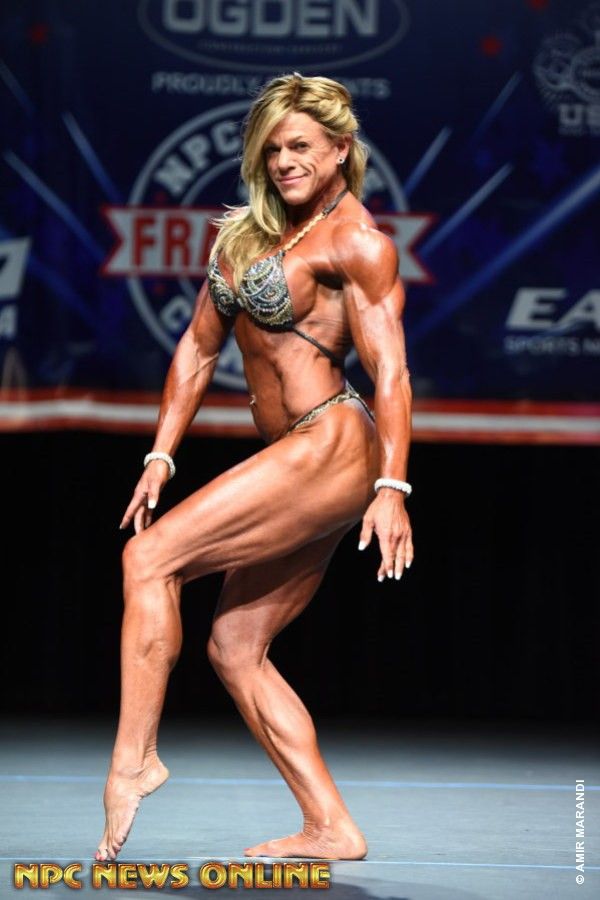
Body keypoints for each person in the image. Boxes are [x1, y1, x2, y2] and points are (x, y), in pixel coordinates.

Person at [95, 73, 413, 863]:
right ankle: (330, 825)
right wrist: (161, 453)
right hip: (294, 453)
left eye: (300, 146)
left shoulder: (356, 242)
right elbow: (198, 348)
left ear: (340, 150)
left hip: (331, 443)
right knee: (235, 646)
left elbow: (391, 372)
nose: (284, 161)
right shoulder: (244, 238)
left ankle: (134, 759)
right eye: (272, 149)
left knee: (148, 559)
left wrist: (392, 486)